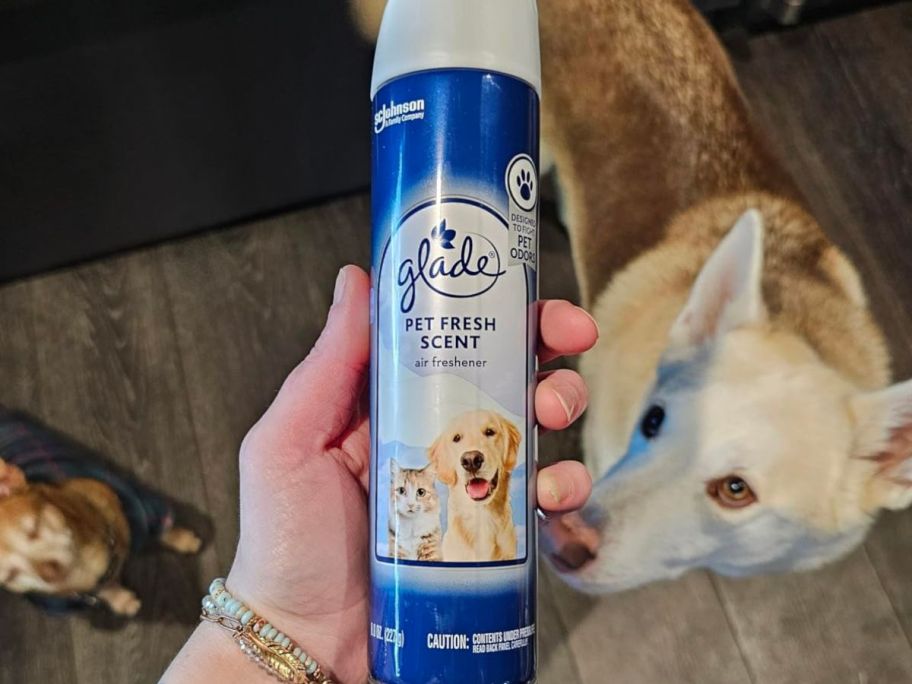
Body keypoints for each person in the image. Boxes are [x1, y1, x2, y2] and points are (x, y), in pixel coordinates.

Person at [163, 265, 598, 683]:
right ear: (445, 461)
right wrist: (283, 621)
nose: (472, 453)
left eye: (489, 434)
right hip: (394, 644)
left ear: (507, 447)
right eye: (459, 442)